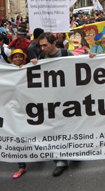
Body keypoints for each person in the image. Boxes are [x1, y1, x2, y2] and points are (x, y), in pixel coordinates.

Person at [30, 33, 71, 176]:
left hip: (70, 100)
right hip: (51, 102)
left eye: (45, 45)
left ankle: (76, 151)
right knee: (54, 130)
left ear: (54, 44)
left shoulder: (66, 54)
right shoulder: (41, 58)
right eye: (40, 45)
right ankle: (60, 161)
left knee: (70, 127)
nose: (42, 48)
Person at [9, 48, 30, 179]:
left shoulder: (27, 68)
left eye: (20, 57)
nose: (18, 59)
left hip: (28, 105)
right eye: (15, 57)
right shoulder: (6, 70)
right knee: (16, 134)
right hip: (13, 107)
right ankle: (21, 166)